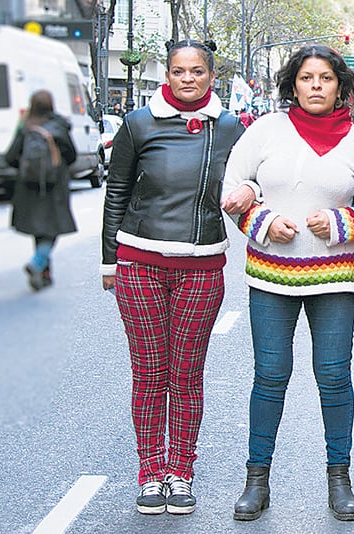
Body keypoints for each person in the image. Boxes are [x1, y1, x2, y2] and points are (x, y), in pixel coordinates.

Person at [221, 44, 354, 522]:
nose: (316, 86)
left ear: (340, 86)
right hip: (270, 276)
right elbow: (231, 191)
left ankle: (340, 480)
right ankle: (257, 481)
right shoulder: (264, 131)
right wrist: (263, 221)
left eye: (326, 78)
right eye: (306, 78)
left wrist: (340, 223)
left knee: (334, 377)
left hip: (334, 279)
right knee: (270, 376)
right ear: (292, 85)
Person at [101, 39, 245, 515]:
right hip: (139, 262)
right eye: (179, 71)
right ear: (167, 74)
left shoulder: (231, 128)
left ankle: (181, 472)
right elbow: (117, 190)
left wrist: (252, 195)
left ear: (211, 75)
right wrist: (109, 261)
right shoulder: (138, 123)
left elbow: (250, 184)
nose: (188, 79)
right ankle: (150, 472)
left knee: (185, 376)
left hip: (202, 268)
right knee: (149, 372)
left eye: (197, 71)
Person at [5, 90, 78, 291]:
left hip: (28, 187)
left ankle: (45, 273)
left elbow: (10, 157)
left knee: (39, 228)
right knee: (51, 229)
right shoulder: (59, 126)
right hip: (54, 186)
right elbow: (72, 156)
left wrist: (27, 169)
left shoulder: (26, 127)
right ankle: (38, 263)